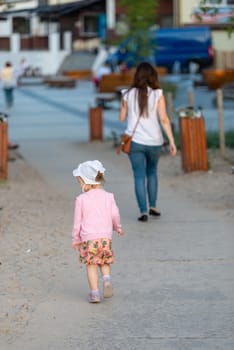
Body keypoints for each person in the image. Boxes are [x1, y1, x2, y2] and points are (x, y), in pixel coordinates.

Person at [118, 61, 177, 222]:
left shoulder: (127, 94)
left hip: (135, 141)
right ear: (153, 76)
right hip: (155, 141)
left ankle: (143, 211)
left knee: (138, 176)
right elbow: (164, 119)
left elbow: (122, 118)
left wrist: (124, 106)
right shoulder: (158, 94)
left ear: (137, 76)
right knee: (152, 173)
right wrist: (171, 141)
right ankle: (153, 206)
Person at [72, 160, 124, 303]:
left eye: (80, 181)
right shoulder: (109, 196)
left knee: (91, 265)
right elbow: (115, 214)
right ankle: (107, 280)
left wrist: (75, 239)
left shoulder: (81, 199)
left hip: (89, 238)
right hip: (105, 237)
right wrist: (117, 227)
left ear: (86, 182)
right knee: (104, 261)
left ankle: (94, 293)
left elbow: (77, 222)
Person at [0, 62, 19, 150]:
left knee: (3, 118)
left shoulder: (3, 70)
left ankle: (5, 142)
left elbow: (1, 77)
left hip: (5, 84)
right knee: (10, 94)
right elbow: (15, 77)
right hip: (10, 83)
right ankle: (5, 142)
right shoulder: (11, 70)